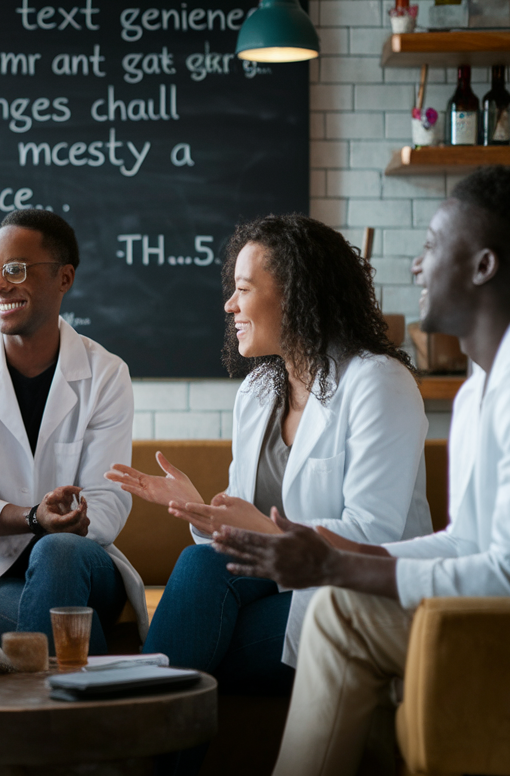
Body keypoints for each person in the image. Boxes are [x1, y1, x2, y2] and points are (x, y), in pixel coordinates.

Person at [212, 166, 510, 776]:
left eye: (435, 246)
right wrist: (339, 562)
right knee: (337, 605)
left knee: (338, 607)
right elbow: (468, 540)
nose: (417, 266)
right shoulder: (486, 382)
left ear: (483, 266)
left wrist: (338, 565)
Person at [107, 215, 432, 700]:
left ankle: (128, 738)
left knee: (195, 654)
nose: (229, 304)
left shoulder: (377, 383)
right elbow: (238, 536)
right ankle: (140, 736)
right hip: (280, 585)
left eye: (243, 289)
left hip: (355, 596)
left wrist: (258, 529)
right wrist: (204, 512)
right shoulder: (260, 390)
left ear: (297, 294)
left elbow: (372, 535)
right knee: (201, 563)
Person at [0, 209, 147, 654]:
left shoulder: (105, 373)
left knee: (57, 552)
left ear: (64, 278)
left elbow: (110, 499)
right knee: (64, 633)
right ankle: (91, 712)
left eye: (15, 270)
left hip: (82, 564)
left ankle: (55, 715)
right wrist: (32, 517)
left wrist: (67, 524)